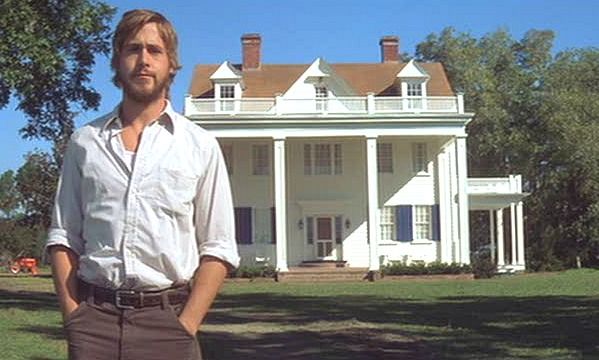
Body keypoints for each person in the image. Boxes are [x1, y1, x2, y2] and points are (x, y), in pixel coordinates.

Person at [46, 9, 239, 360]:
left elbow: (219, 246)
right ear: (118, 60)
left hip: (168, 323)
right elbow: (63, 236)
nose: (144, 60)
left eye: (155, 50)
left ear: (171, 63)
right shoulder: (85, 142)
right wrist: (74, 317)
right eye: (133, 49)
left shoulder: (198, 146)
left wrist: (186, 324)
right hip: (94, 323)